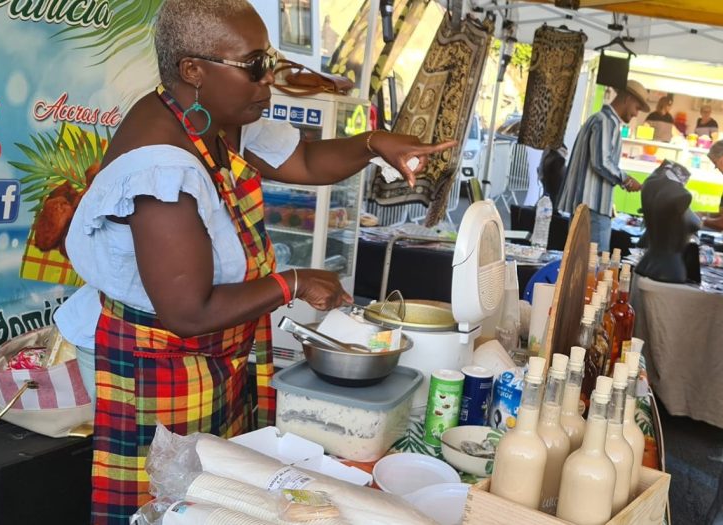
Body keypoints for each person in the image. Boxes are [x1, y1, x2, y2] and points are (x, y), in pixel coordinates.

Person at [53, 1, 454, 522]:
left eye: (269, 61)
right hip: (158, 360)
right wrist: (292, 282)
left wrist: (375, 144)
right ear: (192, 69)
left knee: (221, 498)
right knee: (168, 503)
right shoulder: (160, 167)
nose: (268, 82)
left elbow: (305, 161)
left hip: (216, 351)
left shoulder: (211, 118)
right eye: (254, 67)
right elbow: (188, 312)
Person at [557, 80, 648, 252]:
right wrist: (626, 180)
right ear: (627, 99)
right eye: (637, 107)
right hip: (593, 207)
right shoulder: (606, 122)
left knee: (580, 266)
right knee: (594, 268)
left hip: (586, 207)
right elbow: (601, 162)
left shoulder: (600, 119)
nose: (636, 114)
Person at [634, 160, 700, 284]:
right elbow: (695, 223)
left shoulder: (650, 188)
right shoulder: (681, 196)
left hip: (649, 262)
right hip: (669, 268)